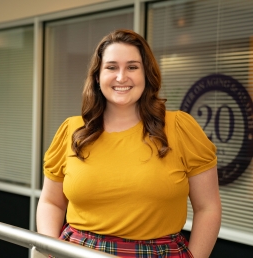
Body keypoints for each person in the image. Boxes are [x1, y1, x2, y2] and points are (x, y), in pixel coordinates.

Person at [37, 29, 222, 258]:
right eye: (111, 67)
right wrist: (51, 251)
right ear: (97, 76)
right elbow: (51, 202)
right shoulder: (72, 131)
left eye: (132, 67)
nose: (121, 77)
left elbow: (208, 208)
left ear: (146, 74)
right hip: (76, 252)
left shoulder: (180, 128)